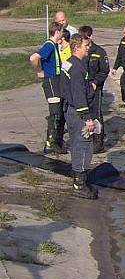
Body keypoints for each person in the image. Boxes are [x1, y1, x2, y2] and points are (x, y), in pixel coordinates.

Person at [60, 34, 98, 199]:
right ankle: (79, 185)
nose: (88, 48)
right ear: (77, 47)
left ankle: (78, 179)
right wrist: (87, 118)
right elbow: (79, 94)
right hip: (78, 113)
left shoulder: (68, 63)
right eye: (86, 45)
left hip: (70, 109)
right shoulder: (76, 68)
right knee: (84, 146)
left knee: (76, 144)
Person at [29, 22, 67, 154]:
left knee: (59, 113)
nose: (63, 34)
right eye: (62, 31)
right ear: (57, 32)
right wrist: (39, 70)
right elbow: (34, 57)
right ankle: (50, 143)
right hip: (51, 82)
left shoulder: (55, 45)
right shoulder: (49, 45)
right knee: (55, 113)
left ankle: (56, 141)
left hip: (57, 80)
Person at [79, 25, 110, 153]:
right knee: (83, 113)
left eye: (86, 39)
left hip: (95, 87)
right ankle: (86, 139)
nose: (84, 42)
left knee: (96, 114)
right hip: (82, 87)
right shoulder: (80, 50)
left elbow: (104, 70)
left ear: (91, 37)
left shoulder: (99, 52)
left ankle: (98, 142)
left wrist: (96, 82)